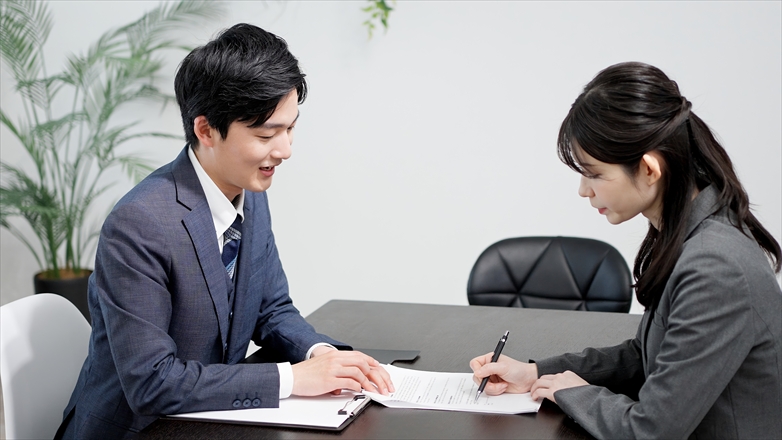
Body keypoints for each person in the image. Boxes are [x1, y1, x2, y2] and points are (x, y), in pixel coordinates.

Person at [56, 23, 393, 439]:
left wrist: (320, 355)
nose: (285, 150)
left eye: (290, 128)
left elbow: (270, 308)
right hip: (138, 430)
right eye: (266, 134)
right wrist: (292, 379)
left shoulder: (249, 193)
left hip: (209, 421)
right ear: (205, 130)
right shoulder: (139, 224)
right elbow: (152, 382)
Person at [470, 62, 782, 439]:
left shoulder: (716, 267)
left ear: (649, 169)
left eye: (594, 173)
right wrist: (536, 373)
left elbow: (652, 430)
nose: (584, 190)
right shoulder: (690, 233)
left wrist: (575, 393)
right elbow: (645, 355)